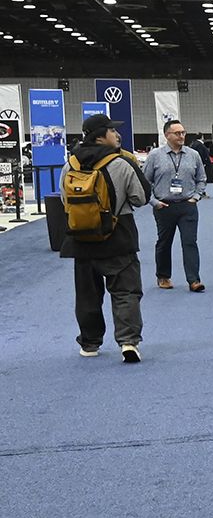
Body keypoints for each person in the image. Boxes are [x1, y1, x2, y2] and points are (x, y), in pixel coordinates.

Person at [62, 114, 150, 362]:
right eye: (112, 130)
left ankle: (89, 343)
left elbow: (64, 199)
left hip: (81, 239)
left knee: (87, 295)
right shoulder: (121, 163)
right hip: (118, 236)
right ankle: (128, 342)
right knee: (126, 292)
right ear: (100, 136)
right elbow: (141, 198)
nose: (117, 135)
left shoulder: (71, 164)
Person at [143, 119, 207, 293]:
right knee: (164, 242)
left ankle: (194, 280)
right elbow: (145, 182)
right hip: (164, 206)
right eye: (177, 133)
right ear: (167, 135)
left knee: (190, 242)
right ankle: (163, 276)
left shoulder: (193, 155)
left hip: (188, 206)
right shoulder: (155, 156)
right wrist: (154, 202)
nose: (181, 136)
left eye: (183, 132)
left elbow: (201, 178)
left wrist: (196, 197)